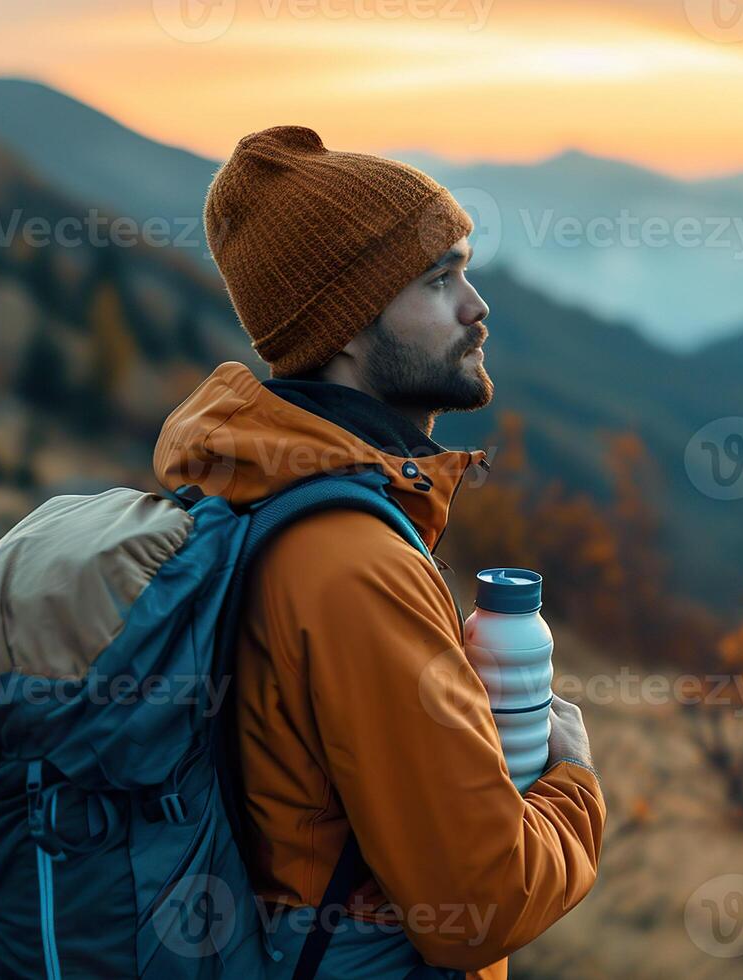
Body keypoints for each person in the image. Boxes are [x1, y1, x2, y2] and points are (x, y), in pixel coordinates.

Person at [153, 125, 605, 979]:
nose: (477, 307)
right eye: (439, 281)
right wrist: (575, 779)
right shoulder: (354, 562)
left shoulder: (257, 492)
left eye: (464, 270)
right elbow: (480, 905)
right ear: (348, 325)